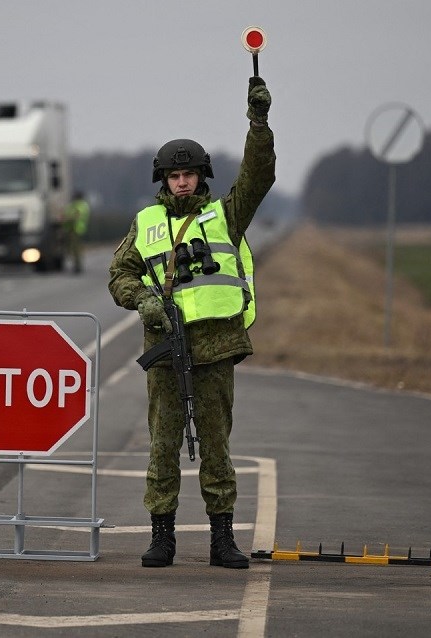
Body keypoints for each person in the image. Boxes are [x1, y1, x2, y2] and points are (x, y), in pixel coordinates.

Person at [108, 75, 274, 568]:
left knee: (217, 446)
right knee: (162, 444)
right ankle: (162, 537)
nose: (183, 181)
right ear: (163, 180)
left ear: (202, 177)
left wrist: (258, 124)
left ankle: (222, 540)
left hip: (216, 347)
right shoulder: (146, 223)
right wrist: (143, 300)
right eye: (174, 176)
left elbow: (258, 177)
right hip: (166, 347)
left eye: (191, 174)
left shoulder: (227, 214)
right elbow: (119, 274)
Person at [63, 191, 91, 273]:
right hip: (73, 229)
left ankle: (77, 266)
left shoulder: (80, 205)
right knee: (73, 248)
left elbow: (76, 215)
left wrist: (66, 218)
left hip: (76, 229)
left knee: (75, 249)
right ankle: (76, 265)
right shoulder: (78, 205)